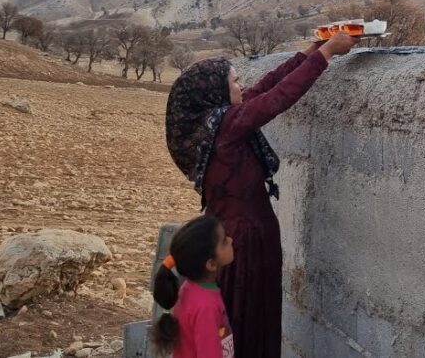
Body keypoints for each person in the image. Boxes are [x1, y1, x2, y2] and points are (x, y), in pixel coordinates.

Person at [164, 31, 357, 357]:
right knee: (248, 325)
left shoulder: (214, 125)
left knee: (238, 324)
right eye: (234, 82)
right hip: (246, 246)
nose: (241, 87)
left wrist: (311, 51)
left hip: (231, 237)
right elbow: (278, 97)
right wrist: (326, 55)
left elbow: (267, 86)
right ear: (216, 93)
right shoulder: (226, 127)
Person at [150, 214, 235, 358]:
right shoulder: (206, 306)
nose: (231, 240)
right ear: (211, 264)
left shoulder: (189, 289)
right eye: (224, 242)